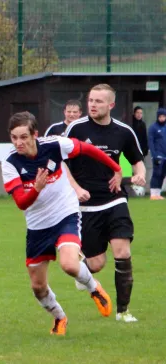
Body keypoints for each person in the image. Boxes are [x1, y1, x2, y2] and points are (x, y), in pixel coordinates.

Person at [2, 111, 119, 335]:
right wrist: (36, 188)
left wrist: (114, 166)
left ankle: (94, 288)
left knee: (69, 264)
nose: (19, 142)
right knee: (37, 287)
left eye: (24, 137)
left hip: (65, 214)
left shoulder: (55, 145)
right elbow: (21, 203)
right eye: (14, 137)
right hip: (37, 227)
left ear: (35, 134)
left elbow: (88, 149)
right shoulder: (10, 163)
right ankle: (59, 317)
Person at [65, 84, 146, 323]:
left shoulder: (123, 131)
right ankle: (85, 272)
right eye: (90, 100)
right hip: (87, 206)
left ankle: (123, 311)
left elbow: (137, 160)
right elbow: (61, 163)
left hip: (115, 199)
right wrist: (76, 189)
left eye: (98, 101)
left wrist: (139, 174)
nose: (92, 105)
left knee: (123, 252)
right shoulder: (76, 128)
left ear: (111, 105)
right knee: (97, 263)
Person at [147, 108, 166, 200]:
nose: (162, 118)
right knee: (156, 174)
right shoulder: (153, 127)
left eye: (164, 116)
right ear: (157, 117)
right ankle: (153, 194)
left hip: (165, 155)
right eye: (160, 116)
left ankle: (158, 193)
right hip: (158, 155)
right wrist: (154, 155)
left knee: (162, 174)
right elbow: (150, 142)